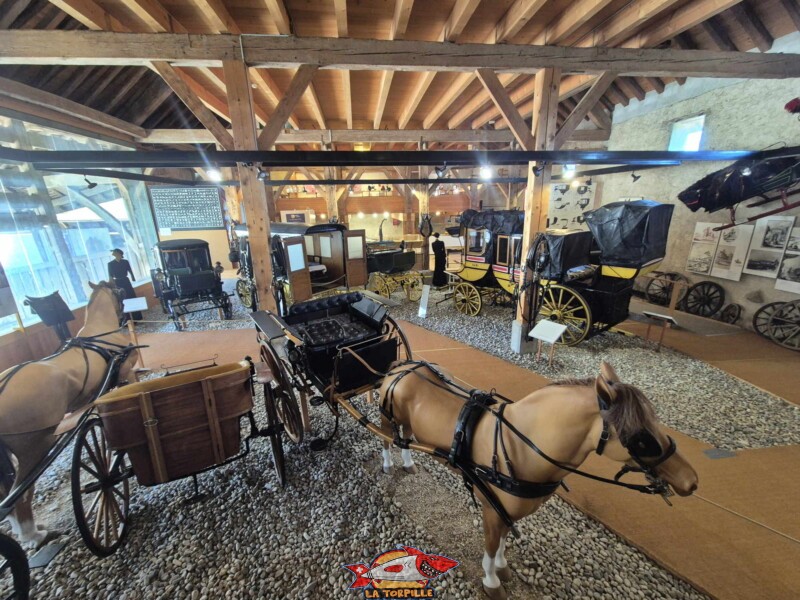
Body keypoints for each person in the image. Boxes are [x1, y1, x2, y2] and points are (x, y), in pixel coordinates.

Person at [107, 248, 142, 320]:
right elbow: (110, 275)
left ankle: (137, 317)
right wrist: (111, 284)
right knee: (122, 300)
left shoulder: (125, 262)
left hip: (126, 281)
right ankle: (126, 319)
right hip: (117, 282)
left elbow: (130, 270)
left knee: (131, 297)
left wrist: (133, 277)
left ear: (119, 254)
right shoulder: (110, 264)